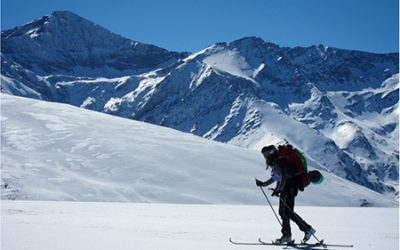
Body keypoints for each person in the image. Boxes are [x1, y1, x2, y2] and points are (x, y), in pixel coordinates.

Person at [256, 145, 316, 244]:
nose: (265, 157)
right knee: (284, 212)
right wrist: (263, 184)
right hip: (289, 186)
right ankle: (289, 234)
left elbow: (283, 176)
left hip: (290, 186)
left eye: (265, 154)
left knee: (286, 212)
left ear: (269, 153)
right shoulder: (278, 160)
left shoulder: (279, 160)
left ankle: (305, 230)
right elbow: (276, 178)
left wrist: (278, 189)